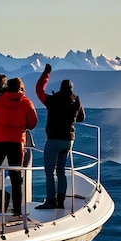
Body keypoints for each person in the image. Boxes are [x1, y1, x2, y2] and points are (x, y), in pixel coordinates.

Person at [34, 63, 85, 209]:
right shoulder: (76, 101)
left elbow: (39, 90)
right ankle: (61, 201)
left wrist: (46, 73)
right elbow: (82, 117)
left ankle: (51, 201)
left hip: (53, 140)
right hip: (69, 140)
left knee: (49, 172)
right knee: (61, 171)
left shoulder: (52, 100)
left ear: (60, 88)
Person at [0, 77, 38, 216]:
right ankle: (17, 211)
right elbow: (33, 122)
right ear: (20, 88)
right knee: (16, 177)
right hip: (17, 142)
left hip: (0, 141)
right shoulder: (26, 103)